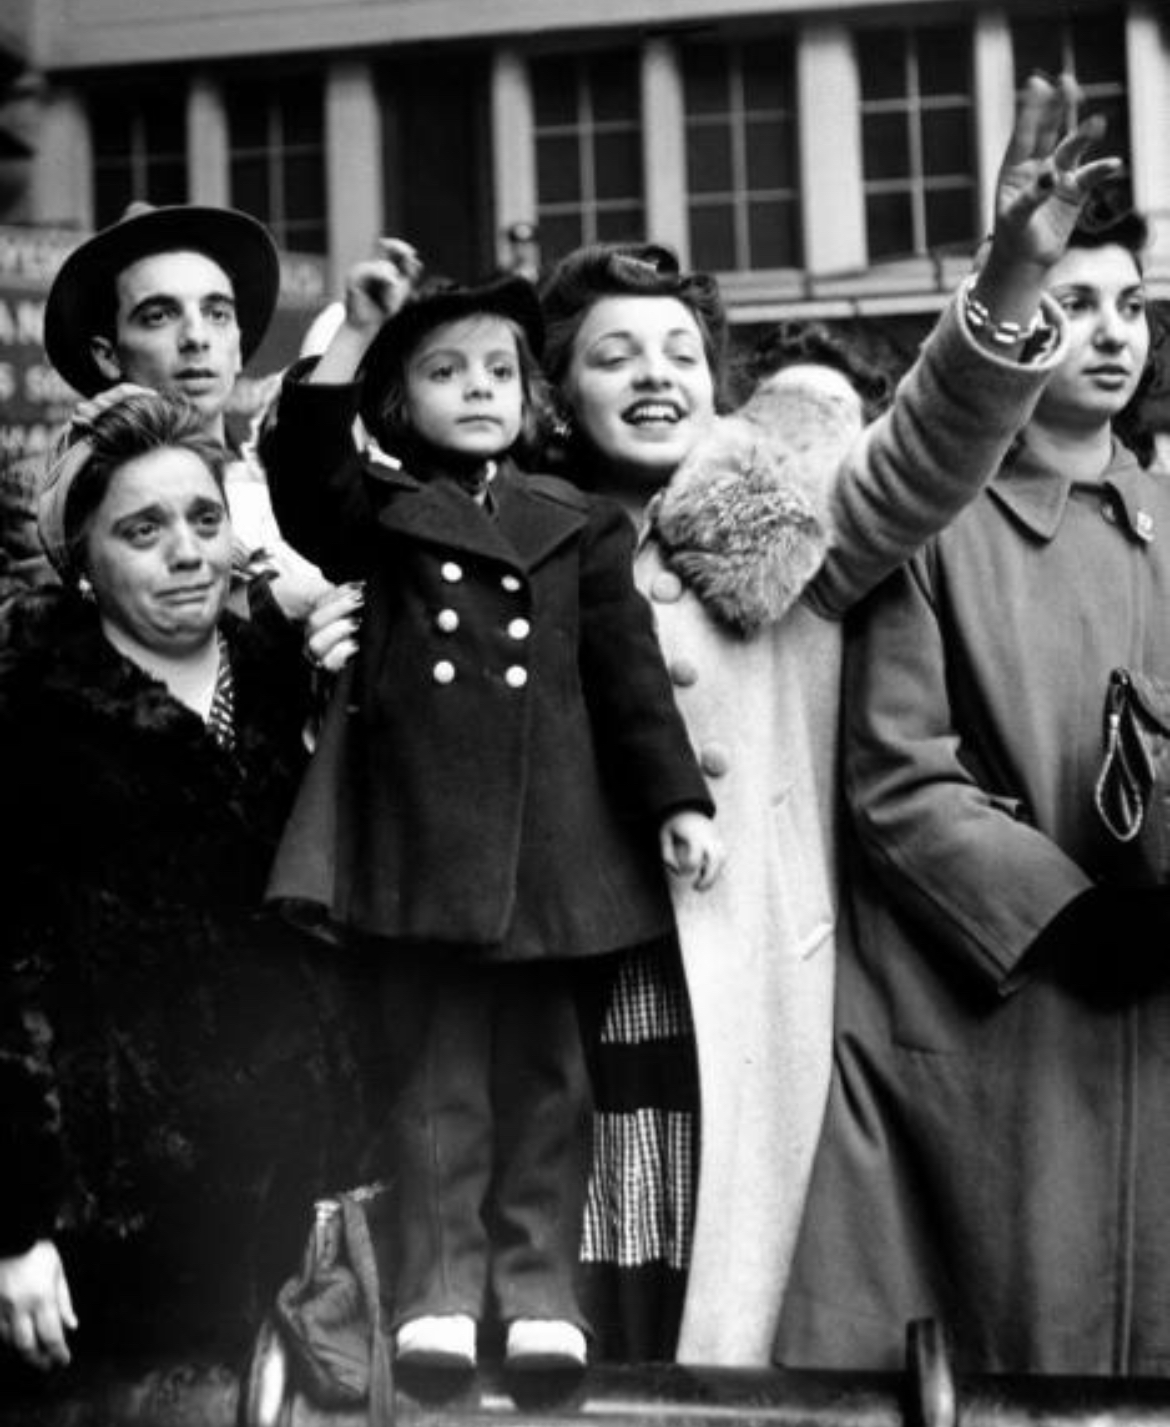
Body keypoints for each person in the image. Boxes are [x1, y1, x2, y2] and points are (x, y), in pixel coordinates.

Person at [292, 74, 1116, 1365]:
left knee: (712, 1331)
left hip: (725, 1016)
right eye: (613, 354)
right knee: (540, 1320)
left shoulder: (787, 524)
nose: (656, 375)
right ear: (552, 388)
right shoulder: (490, 541)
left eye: (680, 351)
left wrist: (1011, 274)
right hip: (539, 979)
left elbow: (925, 445)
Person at [261, 273, 724, 1372]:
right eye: (444, 371)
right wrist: (359, 331)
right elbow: (303, 477)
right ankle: (437, 1291)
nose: (478, 389)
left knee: (556, 1086)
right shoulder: (381, 517)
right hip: (429, 854)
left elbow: (631, 683)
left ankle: (539, 1291)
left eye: (499, 371)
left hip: (557, 857)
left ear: (533, 395)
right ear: (400, 402)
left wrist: (676, 801)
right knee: (438, 1085)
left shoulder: (576, 524)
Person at [774, 196, 1170, 1375]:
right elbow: (900, 777)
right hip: (1006, 1006)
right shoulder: (936, 527)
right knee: (1012, 1355)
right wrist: (1070, 915)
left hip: (1159, 1002)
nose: (1112, 334)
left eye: (1131, 307)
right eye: (1075, 306)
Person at [0, 389, 369, 1378]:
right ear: (83, 560)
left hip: (305, 1195)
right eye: (143, 528)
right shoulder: (26, 714)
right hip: (115, 1234)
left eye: (205, 520)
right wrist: (15, 1227)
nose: (186, 552)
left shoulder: (289, 676)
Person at [0, 202, 325, 615]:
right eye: (158, 316)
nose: (196, 336)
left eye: (217, 313)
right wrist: (267, 603)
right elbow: (61, 643)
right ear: (108, 356)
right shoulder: (48, 490)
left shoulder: (282, 483)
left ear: (239, 346)